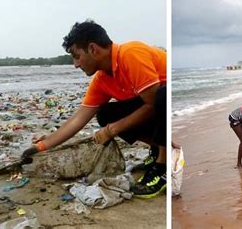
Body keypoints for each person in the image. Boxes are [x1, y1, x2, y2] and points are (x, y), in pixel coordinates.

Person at [21, 20, 167, 198]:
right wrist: (41, 146)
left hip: (167, 103)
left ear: (93, 49)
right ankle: (156, 147)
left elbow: (153, 104)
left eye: (77, 56)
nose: (75, 64)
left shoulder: (130, 54)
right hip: (155, 109)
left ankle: (162, 166)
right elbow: (78, 118)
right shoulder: (101, 80)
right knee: (105, 113)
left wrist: (112, 129)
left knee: (162, 95)